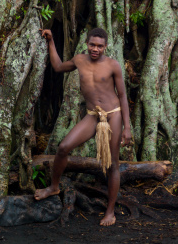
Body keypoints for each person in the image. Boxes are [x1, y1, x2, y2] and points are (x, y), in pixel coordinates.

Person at [34, 28, 132, 226]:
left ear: (105, 47)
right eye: (92, 45)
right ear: (86, 44)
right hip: (92, 115)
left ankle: (110, 211)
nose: (95, 49)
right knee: (63, 148)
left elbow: (122, 96)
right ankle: (54, 187)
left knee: (112, 164)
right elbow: (58, 67)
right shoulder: (79, 60)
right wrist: (51, 41)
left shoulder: (113, 65)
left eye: (99, 46)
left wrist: (127, 127)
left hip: (112, 115)